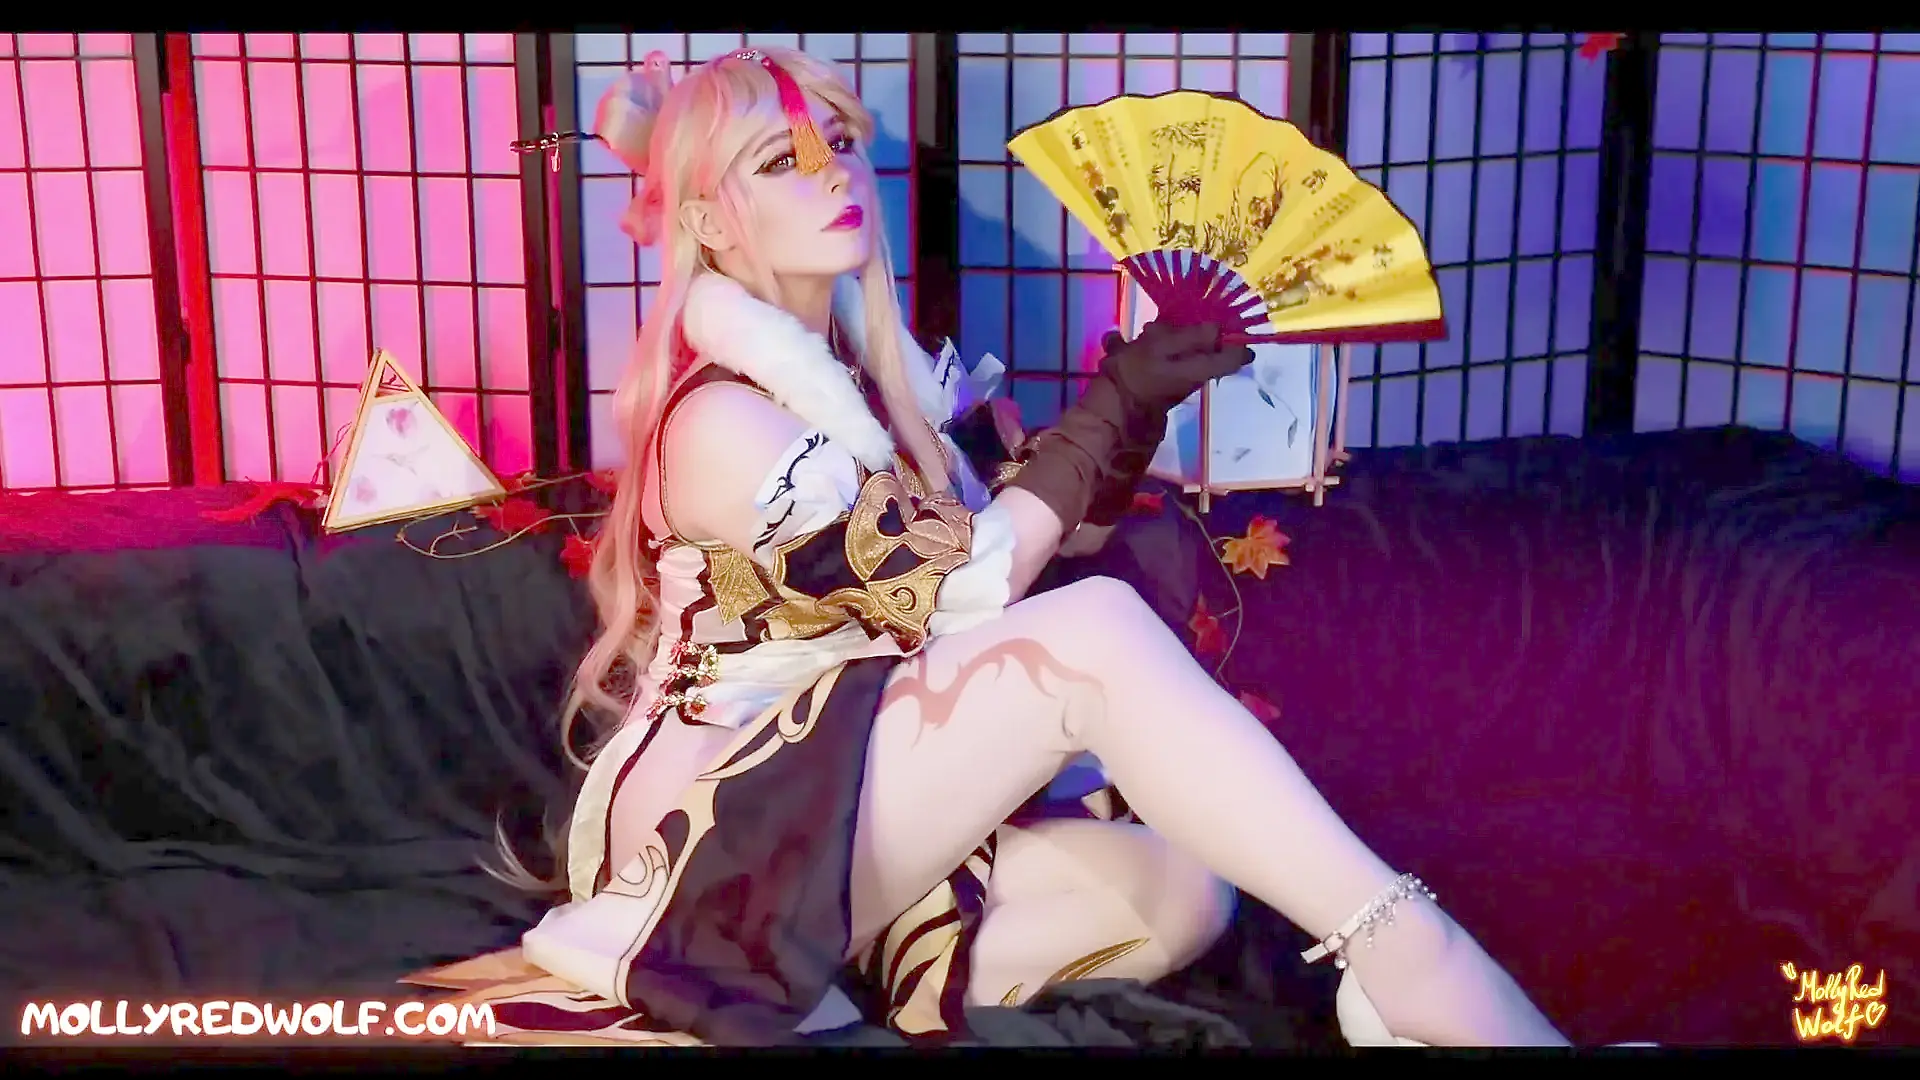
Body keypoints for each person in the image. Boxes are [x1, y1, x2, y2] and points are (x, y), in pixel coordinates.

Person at [461, 46, 1568, 1048]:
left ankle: (812, 981)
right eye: (781, 160)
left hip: (846, 792)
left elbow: (1048, 540)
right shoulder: (720, 418)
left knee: (1180, 891)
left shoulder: (874, 394)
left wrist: (1132, 411)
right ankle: (1408, 951)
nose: (832, 172)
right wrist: (1108, 407)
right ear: (710, 223)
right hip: (719, 820)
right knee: (1095, 631)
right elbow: (970, 586)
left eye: (838, 142)